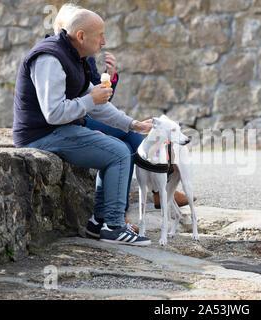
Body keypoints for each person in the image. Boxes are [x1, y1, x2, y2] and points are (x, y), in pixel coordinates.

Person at [13, 8, 152, 246]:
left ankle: (99, 223)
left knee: (118, 148)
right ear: (81, 36)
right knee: (119, 152)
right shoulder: (50, 58)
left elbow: (96, 103)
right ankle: (114, 226)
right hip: (40, 135)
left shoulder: (73, 56)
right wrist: (90, 100)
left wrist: (132, 124)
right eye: (100, 35)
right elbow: (54, 113)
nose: (104, 41)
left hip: (57, 130)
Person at [52, 4, 194, 220]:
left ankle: (151, 193)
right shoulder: (56, 55)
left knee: (133, 136)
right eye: (99, 35)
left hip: (87, 114)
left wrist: (111, 75)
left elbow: (100, 97)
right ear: (72, 29)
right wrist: (96, 99)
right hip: (76, 119)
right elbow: (84, 101)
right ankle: (127, 209)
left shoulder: (81, 54)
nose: (103, 41)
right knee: (124, 145)